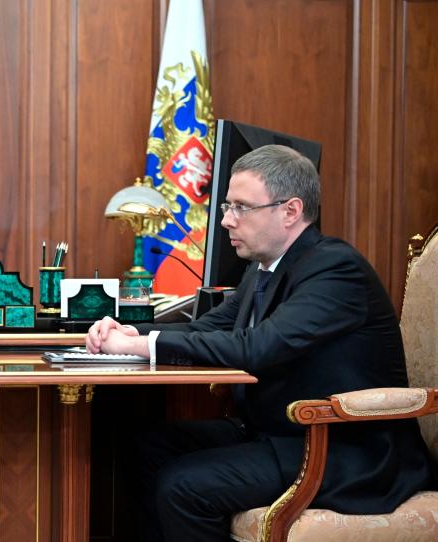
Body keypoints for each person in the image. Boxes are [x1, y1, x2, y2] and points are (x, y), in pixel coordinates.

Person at [85, 145, 433, 541]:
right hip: (281, 432)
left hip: (344, 449)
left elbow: (258, 347)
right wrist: (132, 335)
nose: (226, 221)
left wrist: (141, 348)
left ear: (290, 211)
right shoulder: (263, 268)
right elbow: (207, 327)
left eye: (241, 208)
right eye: (226, 207)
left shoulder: (336, 269)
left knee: (182, 484)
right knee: (146, 446)